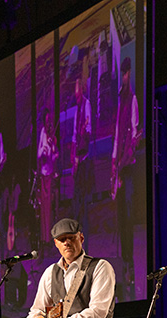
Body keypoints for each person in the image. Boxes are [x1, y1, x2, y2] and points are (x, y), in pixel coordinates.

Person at [111, 56, 140, 290]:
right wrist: (113, 161)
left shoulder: (132, 100)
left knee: (128, 214)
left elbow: (134, 133)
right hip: (118, 165)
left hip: (128, 166)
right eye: (123, 73)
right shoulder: (120, 101)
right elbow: (117, 133)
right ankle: (123, 263)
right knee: (120, 215)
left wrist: (123, 161)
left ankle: (130, 263)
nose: (124, 77)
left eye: (126, 73)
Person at [37, 107, 59, 246]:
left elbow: (56, 155)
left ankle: (50, 238)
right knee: (44, 209)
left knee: (50, 208)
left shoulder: (51, 136)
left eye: (50, 121)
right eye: (47, 121)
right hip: (44, 174)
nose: (49, 123)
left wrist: (52, 150)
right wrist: (45, 151)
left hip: (51, 174)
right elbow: (39, 154)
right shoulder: (43, 134)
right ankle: (44, 239)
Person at [72, 79, 92, 225]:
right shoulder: (76, 110)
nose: (77, 99)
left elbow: (88, 128)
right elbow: (74, 135)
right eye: (76, 97)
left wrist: (83, 130)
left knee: (84, 195)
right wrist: (73, 158)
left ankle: (85, 226)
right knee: (77, 195)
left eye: (78, 96)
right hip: (78, 158)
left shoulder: (87, 105)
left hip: (85, 157)